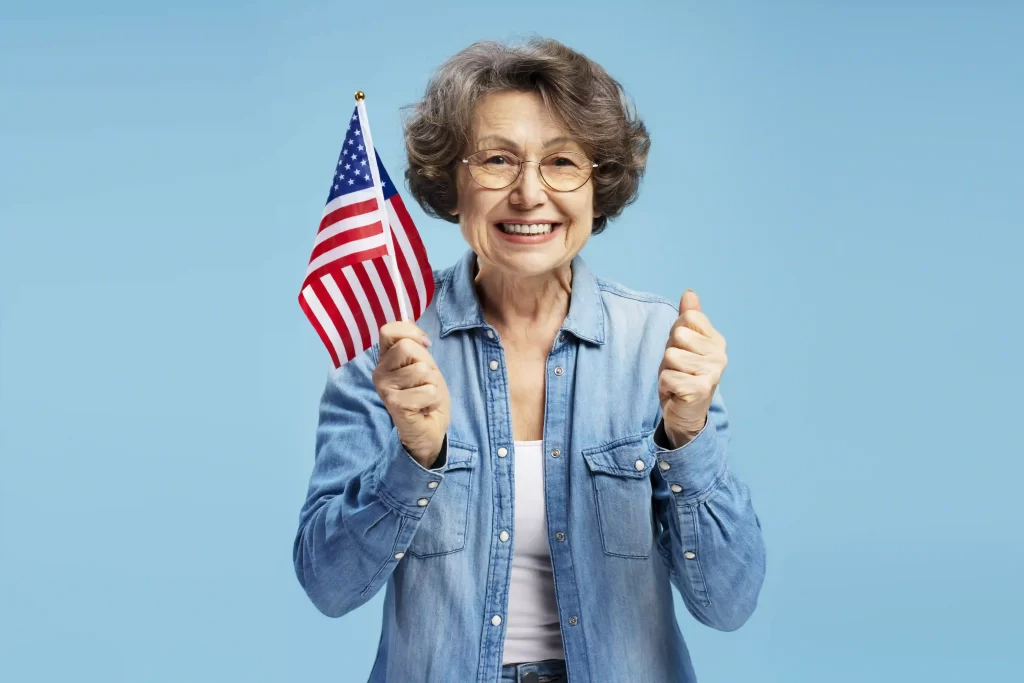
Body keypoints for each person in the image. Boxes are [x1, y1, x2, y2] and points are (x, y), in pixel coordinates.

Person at [293, 37, 766, 683]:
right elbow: (328, 583)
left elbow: (730, 602)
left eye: (562, 162)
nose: (528, 193)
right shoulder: (388, 347)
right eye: (496, 160)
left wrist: (687, 436)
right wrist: (413, 457)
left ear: (598, 188)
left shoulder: (660, 342)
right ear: (451, 185)